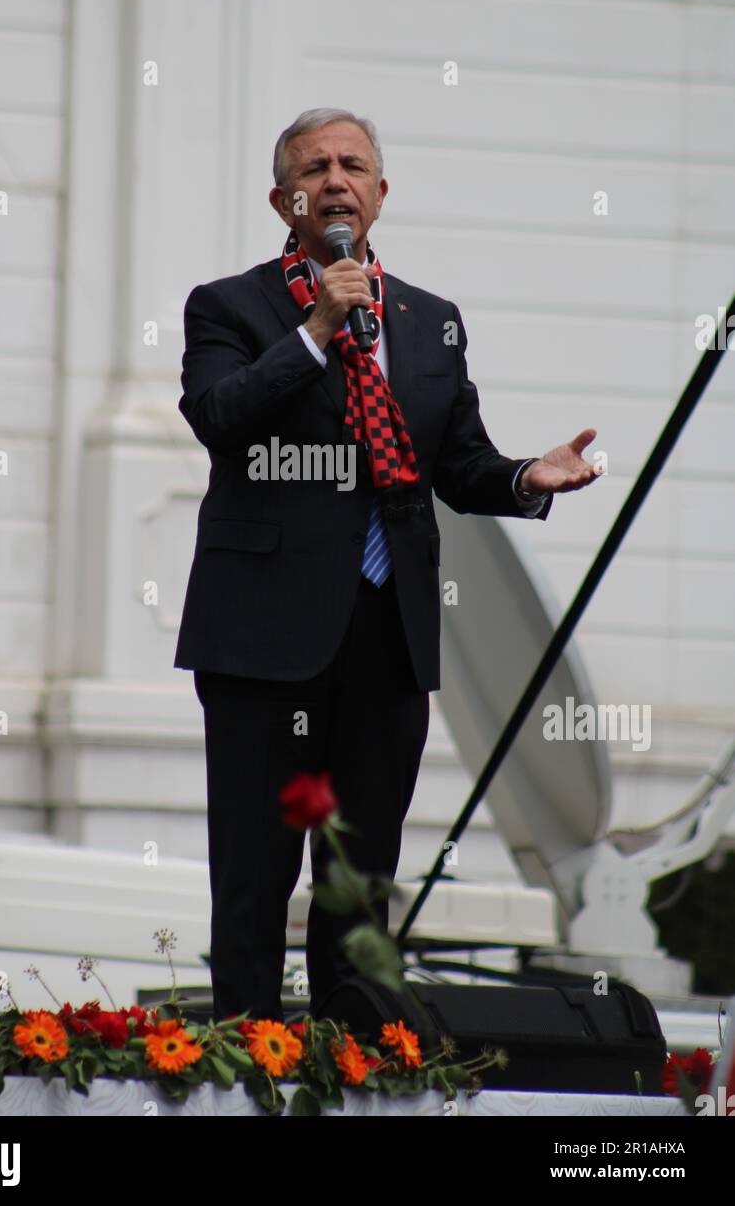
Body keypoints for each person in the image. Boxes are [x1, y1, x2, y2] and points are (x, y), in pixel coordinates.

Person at [174, 107, 600, 1022]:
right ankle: (245, 1064)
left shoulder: (429, 321)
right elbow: (219, 416)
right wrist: (316, 330)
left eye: (353, 165)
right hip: (264, 638)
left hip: (389, 635)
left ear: (379, 193)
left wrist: (529, 476)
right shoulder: (230, 307)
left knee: (361, 879)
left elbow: (459, 462)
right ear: (283, 199)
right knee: (254, 873)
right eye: (315, 167)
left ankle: (353, 1066)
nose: (336, 179)